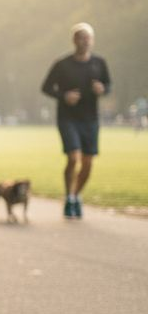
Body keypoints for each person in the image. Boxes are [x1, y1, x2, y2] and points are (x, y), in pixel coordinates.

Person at [41, 23, 111, 219]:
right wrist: (64, 96)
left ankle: (75, 195)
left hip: (90, 119)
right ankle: (69, 197)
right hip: (68, 117)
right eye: (81, 37)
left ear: (92, 40)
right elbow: (46, 87)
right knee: (73, 158)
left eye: (88, 38)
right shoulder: (62, 64)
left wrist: (102, 90)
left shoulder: (99, 63)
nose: (85, 41)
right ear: (74, 40)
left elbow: (108, 84)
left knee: (88, 163)